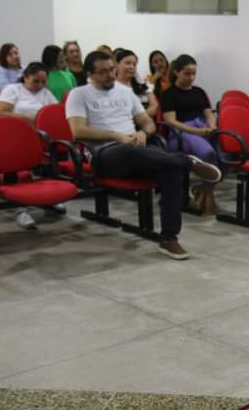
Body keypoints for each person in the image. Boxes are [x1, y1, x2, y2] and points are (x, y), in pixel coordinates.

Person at [65, 50, 221, 259]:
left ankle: (169, 239)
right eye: (103, 72)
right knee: (138, 151)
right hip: (104, 154)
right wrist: (116, 136)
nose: (110, 75)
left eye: (112, 70)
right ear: (90, 74)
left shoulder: (124, 92)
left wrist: (142, 132)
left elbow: (148, 123)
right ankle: (186, 162)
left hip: (137, 149)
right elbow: (78, 131)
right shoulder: (79, 94)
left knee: (171, 170)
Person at [0, 62, 61, 230]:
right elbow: (0, 113)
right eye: (35, 81)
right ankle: (20, 208)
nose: (39, 85)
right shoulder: (13, 89)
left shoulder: (45, 93)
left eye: (43, 81)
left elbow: (54, 111)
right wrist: (30, 119)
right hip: (14, 135)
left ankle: (48, 199)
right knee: (17, 167)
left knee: (54, 155)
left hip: (39, 136)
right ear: (25, 77)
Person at [159, 55, 219, 215]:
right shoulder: (169, 94)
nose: (191, 77)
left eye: (194, 74)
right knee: (208, 153)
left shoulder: (199, 91)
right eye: (187, 73)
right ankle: (208, 192)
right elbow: (171, 121)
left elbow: (209, 114)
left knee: (227, 153)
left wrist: (212, 126)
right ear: (177, 72)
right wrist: (197, 132)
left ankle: (203, 189)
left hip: (202, 127)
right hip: (180, 133)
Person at [114, 49, 157, 119]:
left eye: (134, 64)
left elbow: (154, 106)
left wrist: (139, 119)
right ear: (117, 64)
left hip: (146, 123)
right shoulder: (110, 87)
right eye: (127, 63)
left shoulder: (144, 84)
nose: (132, 67)